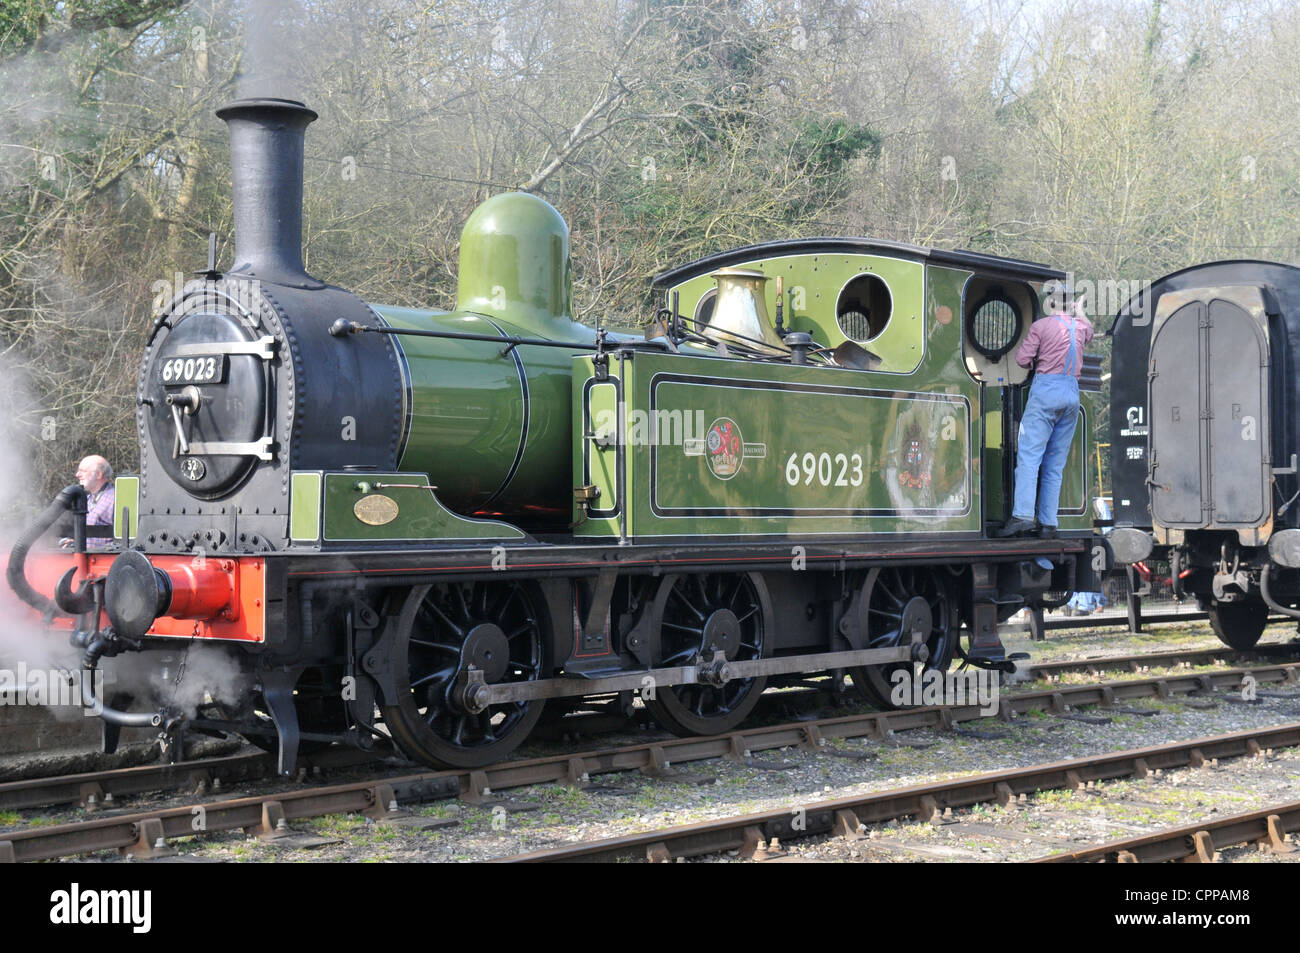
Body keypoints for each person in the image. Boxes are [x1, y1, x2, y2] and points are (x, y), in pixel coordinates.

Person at [996, 282, 1094, 538]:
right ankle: (1049, 523)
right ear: (1070, 303)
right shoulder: (1080, 327)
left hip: (1046, 391)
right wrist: (1079, 311)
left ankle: (1023, 515)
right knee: (1054, 464)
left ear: (1050, 302)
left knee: (1029, 458)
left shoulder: (1041, 327)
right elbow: (1090, 332)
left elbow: (1022, 360)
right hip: (1071, 394)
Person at [61, 455, 115, 550]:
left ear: (98, 474)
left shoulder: (116, 499)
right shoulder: (88, 499)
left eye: (83, 471)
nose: (77, 475)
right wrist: (76, 542)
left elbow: (124, 543)